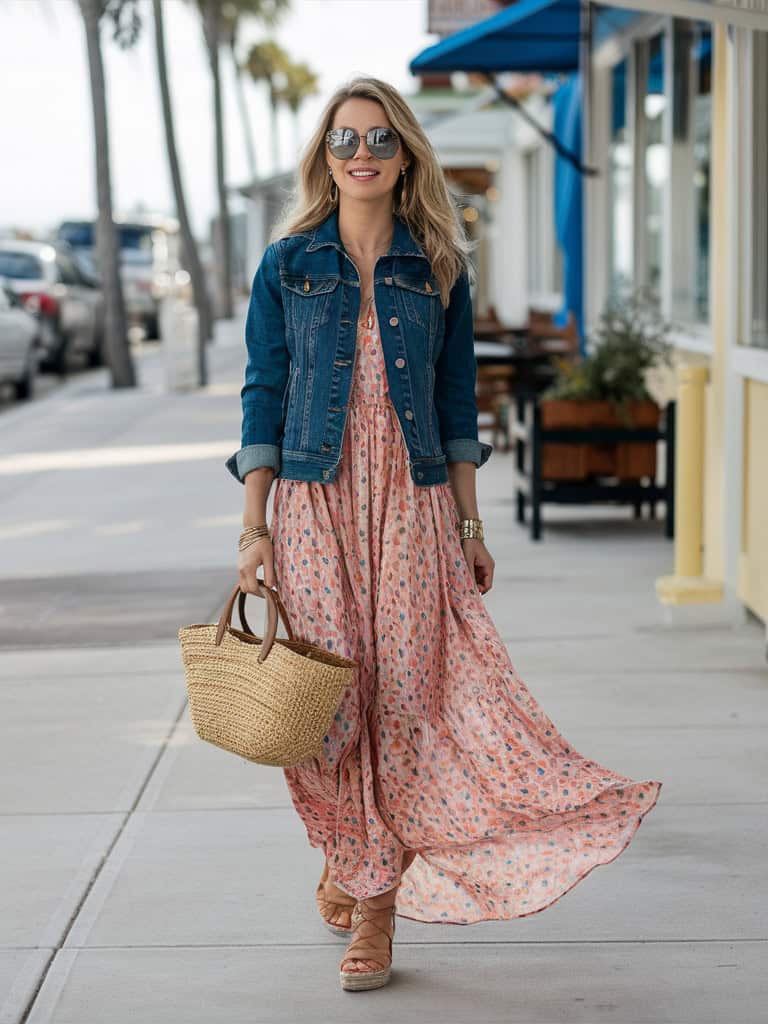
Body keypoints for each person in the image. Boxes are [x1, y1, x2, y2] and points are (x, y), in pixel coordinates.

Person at [226, 76, 662, 993]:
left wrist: (468, 524)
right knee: (332, 706)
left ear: (405, 154)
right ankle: (356, 845)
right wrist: (252, 529)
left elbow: (458, 404)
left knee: (410, 699)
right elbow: (262, 393)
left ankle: (375, 905)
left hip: (414, 503)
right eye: (344, 141)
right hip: (316, 501)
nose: (361, 156)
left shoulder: (437, 267)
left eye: (379, 140)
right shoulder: (286, 265)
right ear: (325, 158)